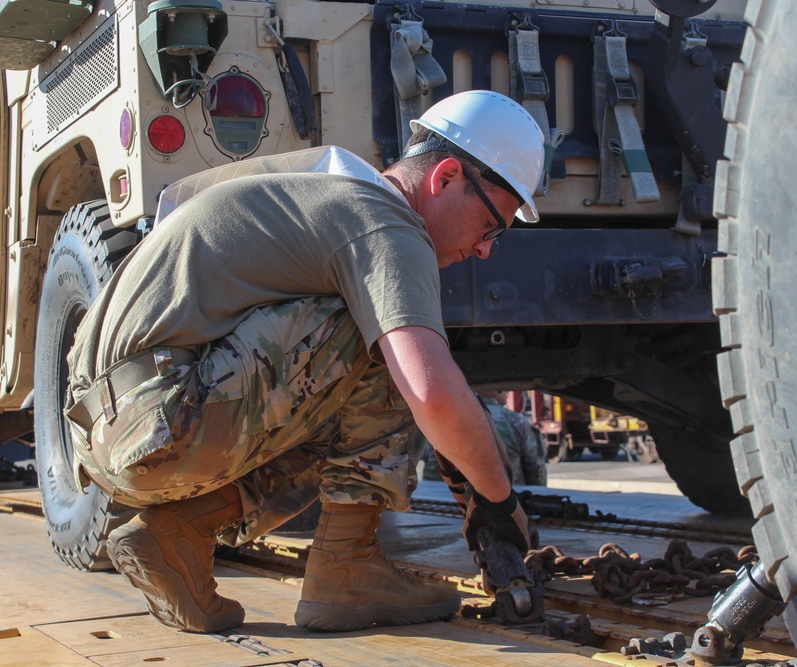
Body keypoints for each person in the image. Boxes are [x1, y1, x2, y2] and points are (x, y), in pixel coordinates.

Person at [63, 91, 545, 634]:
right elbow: (430, 390)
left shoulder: (329, 197)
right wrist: (499, 504)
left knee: (342, 392)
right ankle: (346, 568)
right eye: (491, 226)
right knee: (387, 343)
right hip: (160, 417)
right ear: (447, 176)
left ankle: (178, 533)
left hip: (108, 433)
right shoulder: (385, 222)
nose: (485, 249)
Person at [418, 391, 547, 486]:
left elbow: (432, 469)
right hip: (506, 510)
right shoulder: (516, 422)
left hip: (450, 508)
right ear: (494, 388)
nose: (508, 391)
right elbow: (536, 473)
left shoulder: (441, 422)